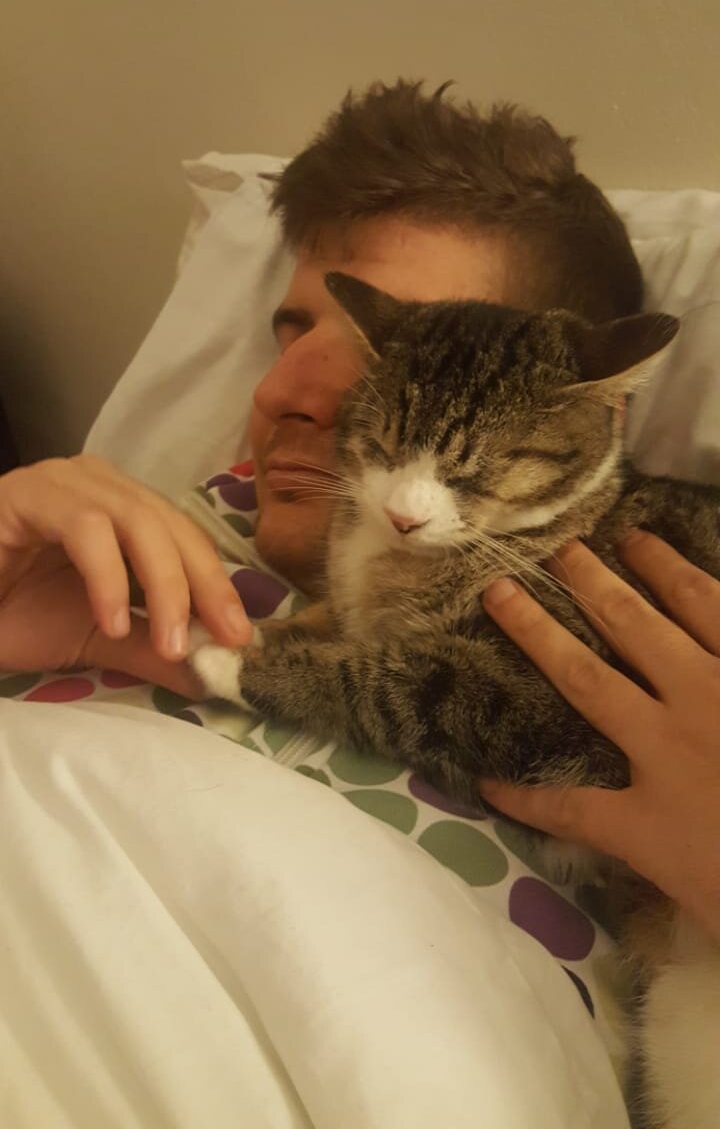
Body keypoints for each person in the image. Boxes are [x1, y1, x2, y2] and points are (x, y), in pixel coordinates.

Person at [1, 80, 718, 940]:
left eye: (354, 357)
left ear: (597, 419)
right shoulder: (92, 539)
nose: (278, 391)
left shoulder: (631, 619)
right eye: (287, 338)